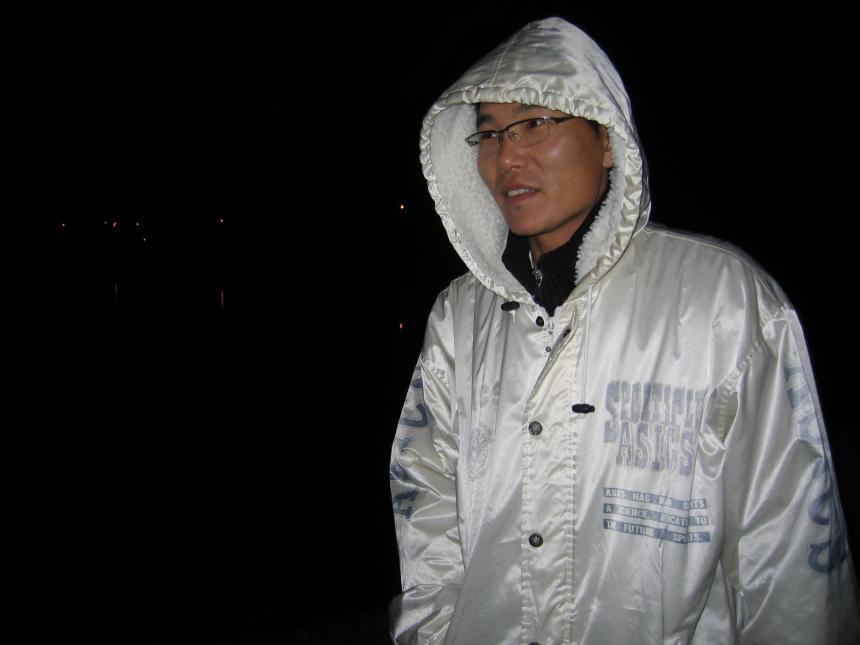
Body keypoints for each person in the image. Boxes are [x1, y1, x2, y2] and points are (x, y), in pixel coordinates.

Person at [388, 16, 858, 645]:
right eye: (490, 133)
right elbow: (427, 509)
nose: (507, 157)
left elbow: (789, 549)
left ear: (606, 138)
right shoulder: (459, 318)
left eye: (535, 122)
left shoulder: (724, 303)